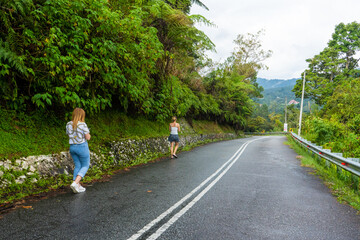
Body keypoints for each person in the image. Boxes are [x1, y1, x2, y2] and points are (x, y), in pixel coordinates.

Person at [66, 108, 91, 193]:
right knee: (85, 165)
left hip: (72, 147)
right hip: (82, 147)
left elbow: (68, 134)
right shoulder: (82, 124)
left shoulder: (68, 124)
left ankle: (78, 185)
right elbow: (88, 137)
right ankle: (75, 183)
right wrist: (88, 135)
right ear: (82, 115)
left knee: (78, 165)